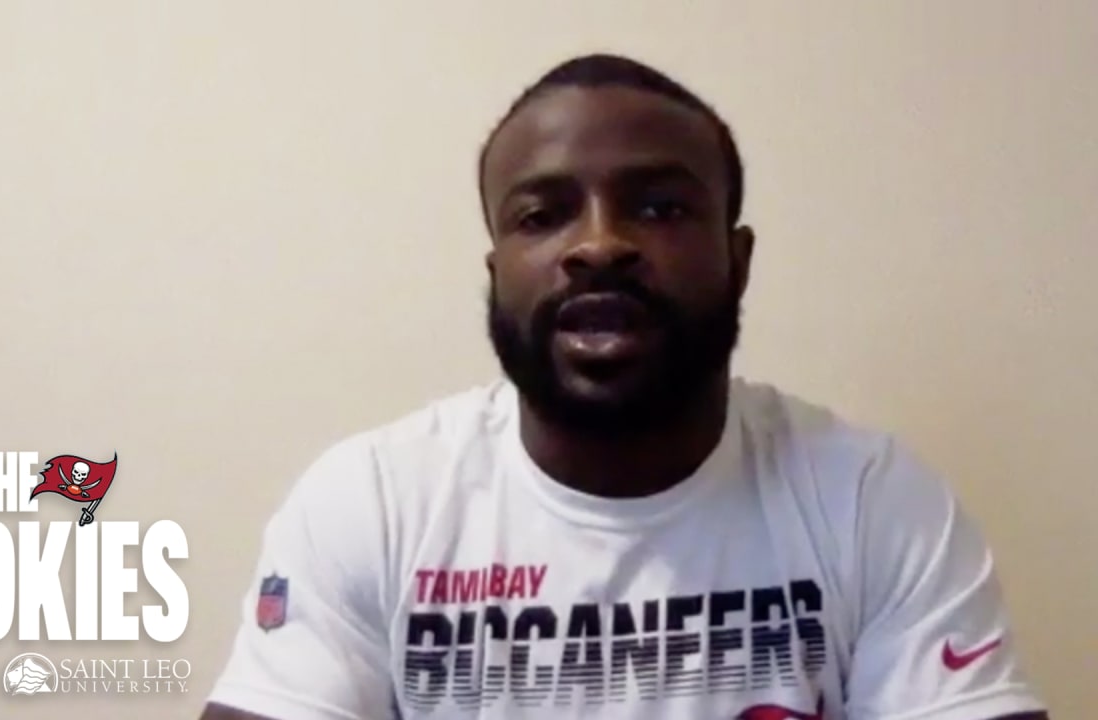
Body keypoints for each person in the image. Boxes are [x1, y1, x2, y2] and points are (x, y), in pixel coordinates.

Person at [200, 54, 1049, 720]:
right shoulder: (373, 503)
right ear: (497, 273)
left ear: (737, 259)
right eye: (543, 215)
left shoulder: (872, 500)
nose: (599, 244)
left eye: (660, 208)